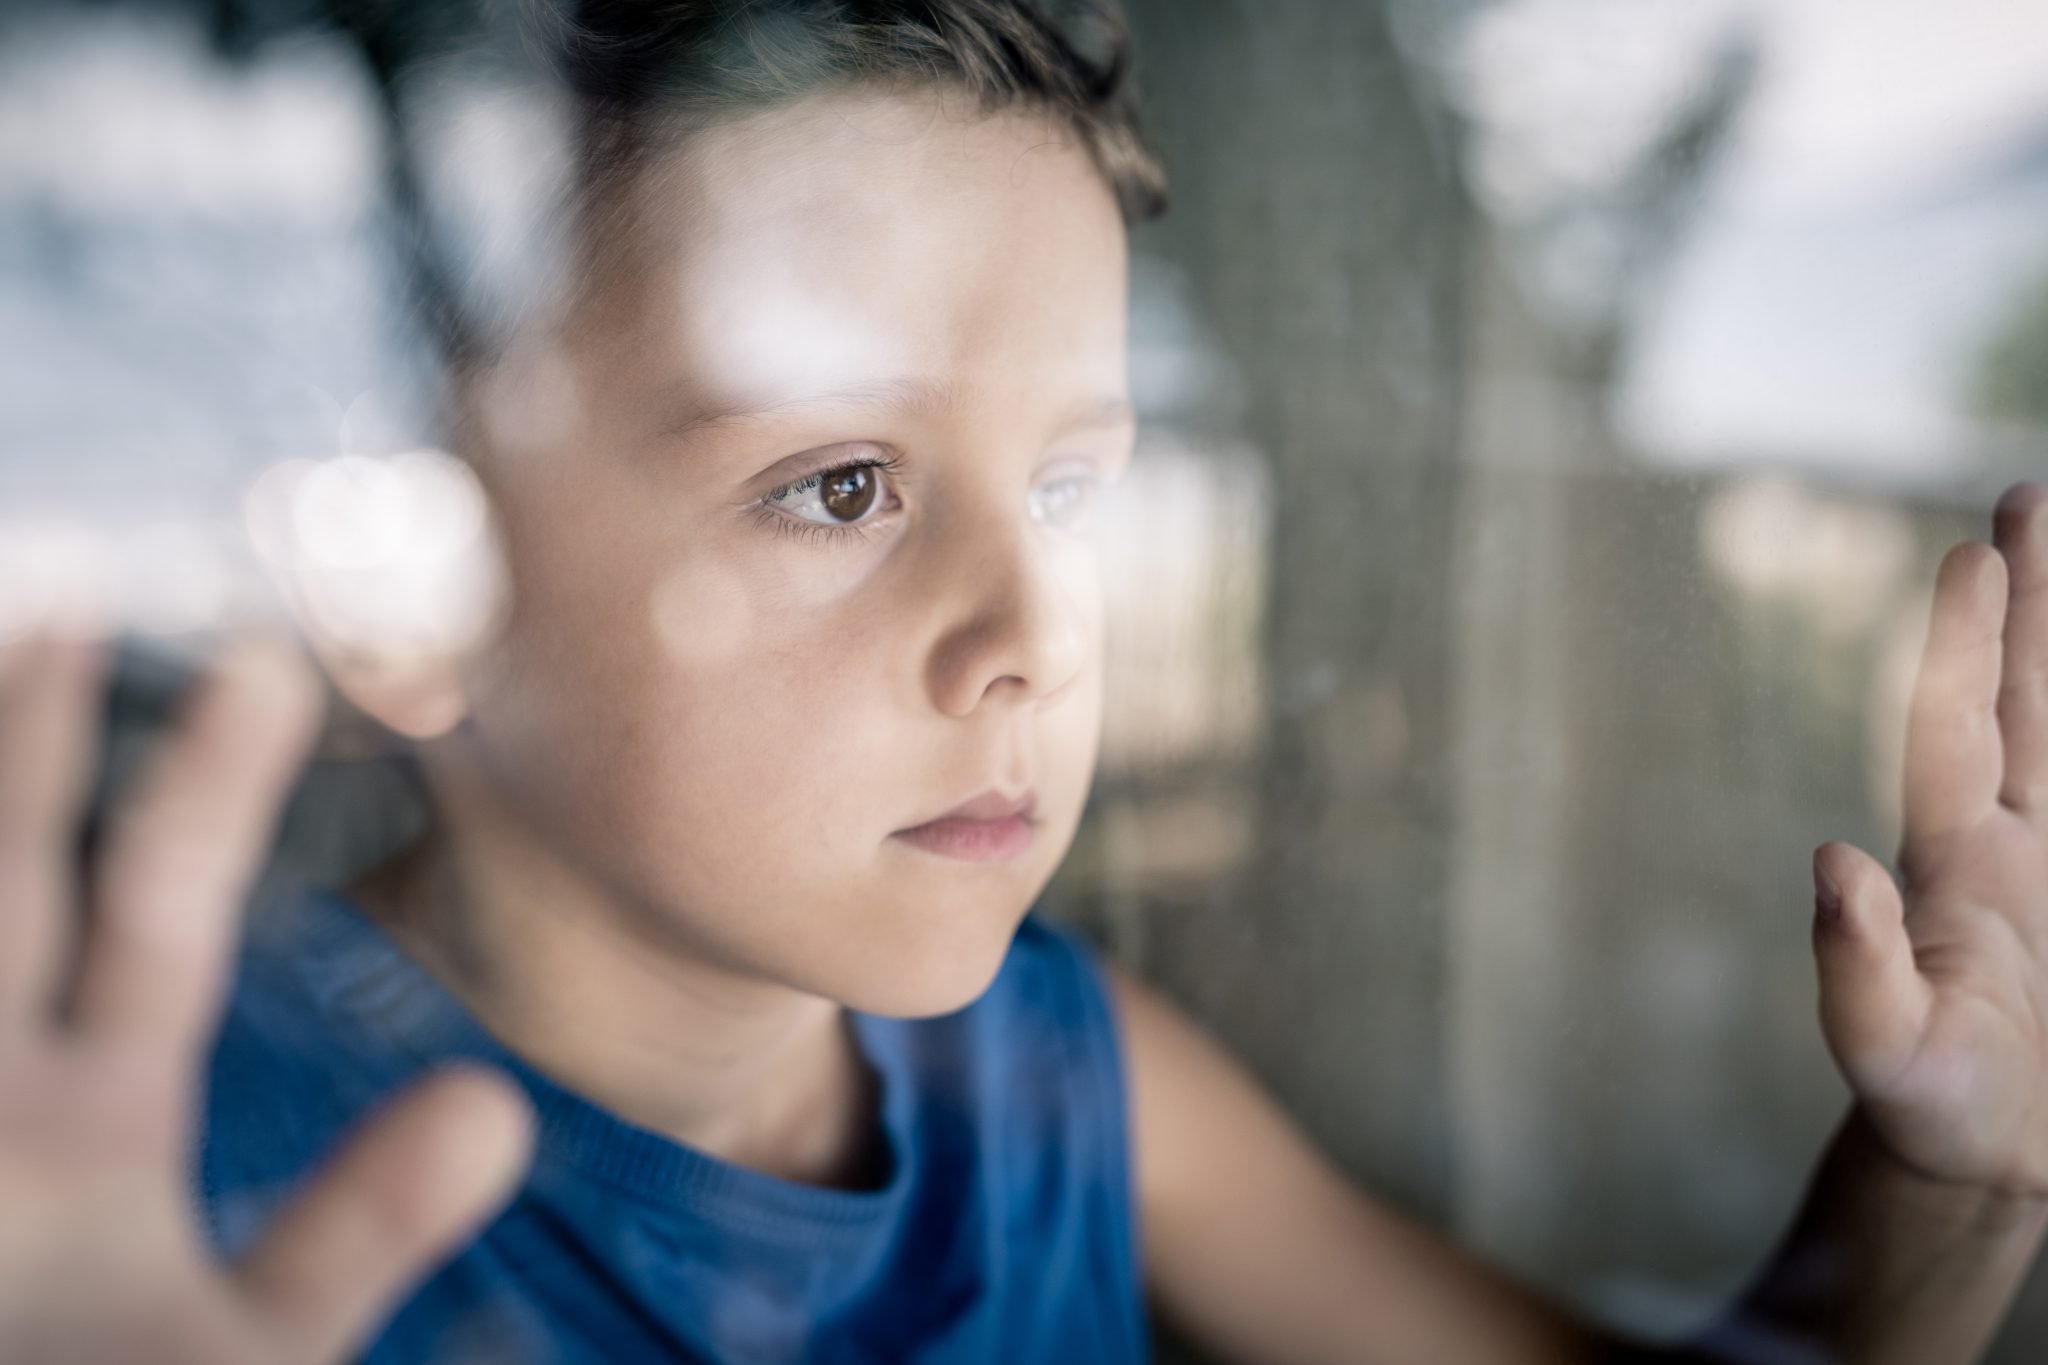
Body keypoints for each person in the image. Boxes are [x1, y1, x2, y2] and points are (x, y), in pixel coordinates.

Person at [2, 2, 2047, 1361]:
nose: (1035, 634)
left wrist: (1939, 1185)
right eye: (840, 484)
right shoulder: (146, 1202)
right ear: (430, 576)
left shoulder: (1062, 1072)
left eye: (1068, 480)